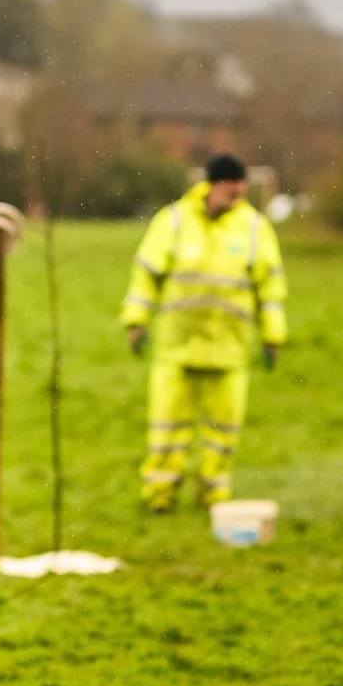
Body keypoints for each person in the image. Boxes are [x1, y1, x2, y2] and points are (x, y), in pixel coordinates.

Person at [121, 153, 288, 512]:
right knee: (167, 431)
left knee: (222, 435)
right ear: (214, 184)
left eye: (242, 187)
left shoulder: (255, 228)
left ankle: (213, 499)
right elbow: (146, 274)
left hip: (229, 351)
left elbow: (270, 287)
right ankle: (159, 498)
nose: (238, 193)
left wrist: (274, 336)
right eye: (232, 186)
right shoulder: (174, 221)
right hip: (175, 349)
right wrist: (136, 321)